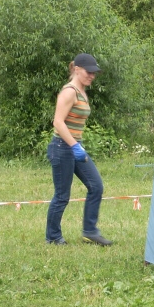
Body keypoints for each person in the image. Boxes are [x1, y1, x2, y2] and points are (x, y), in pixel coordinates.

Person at [46, 53, 112, 246]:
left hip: (76, 147)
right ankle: (53, 237)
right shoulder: (69, 92)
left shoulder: (82, 91)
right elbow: (57, 122)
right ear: (76, 69)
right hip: (62, 148)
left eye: (94, 73)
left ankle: (90, 232)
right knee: (62, 195)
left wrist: (77, 145)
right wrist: (74, 146)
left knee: (96, 186)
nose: (92, 76)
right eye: (88, 72)